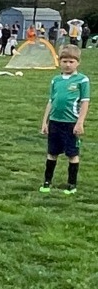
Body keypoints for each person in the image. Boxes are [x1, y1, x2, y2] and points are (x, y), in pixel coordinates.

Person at [40, 43, 89, 194]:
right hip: (55, 122)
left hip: (71, 124)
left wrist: (80, 122)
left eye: (71, 61)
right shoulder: (56, 80)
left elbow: (85, 102)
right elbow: (50, 101)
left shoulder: (82, 80)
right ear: (59, 61)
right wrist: (45, 122)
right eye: (64, 61)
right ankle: (47, 182)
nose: (68, 64)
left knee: (72, 154)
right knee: (52, 153)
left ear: (77, 63)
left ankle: (71, 184)